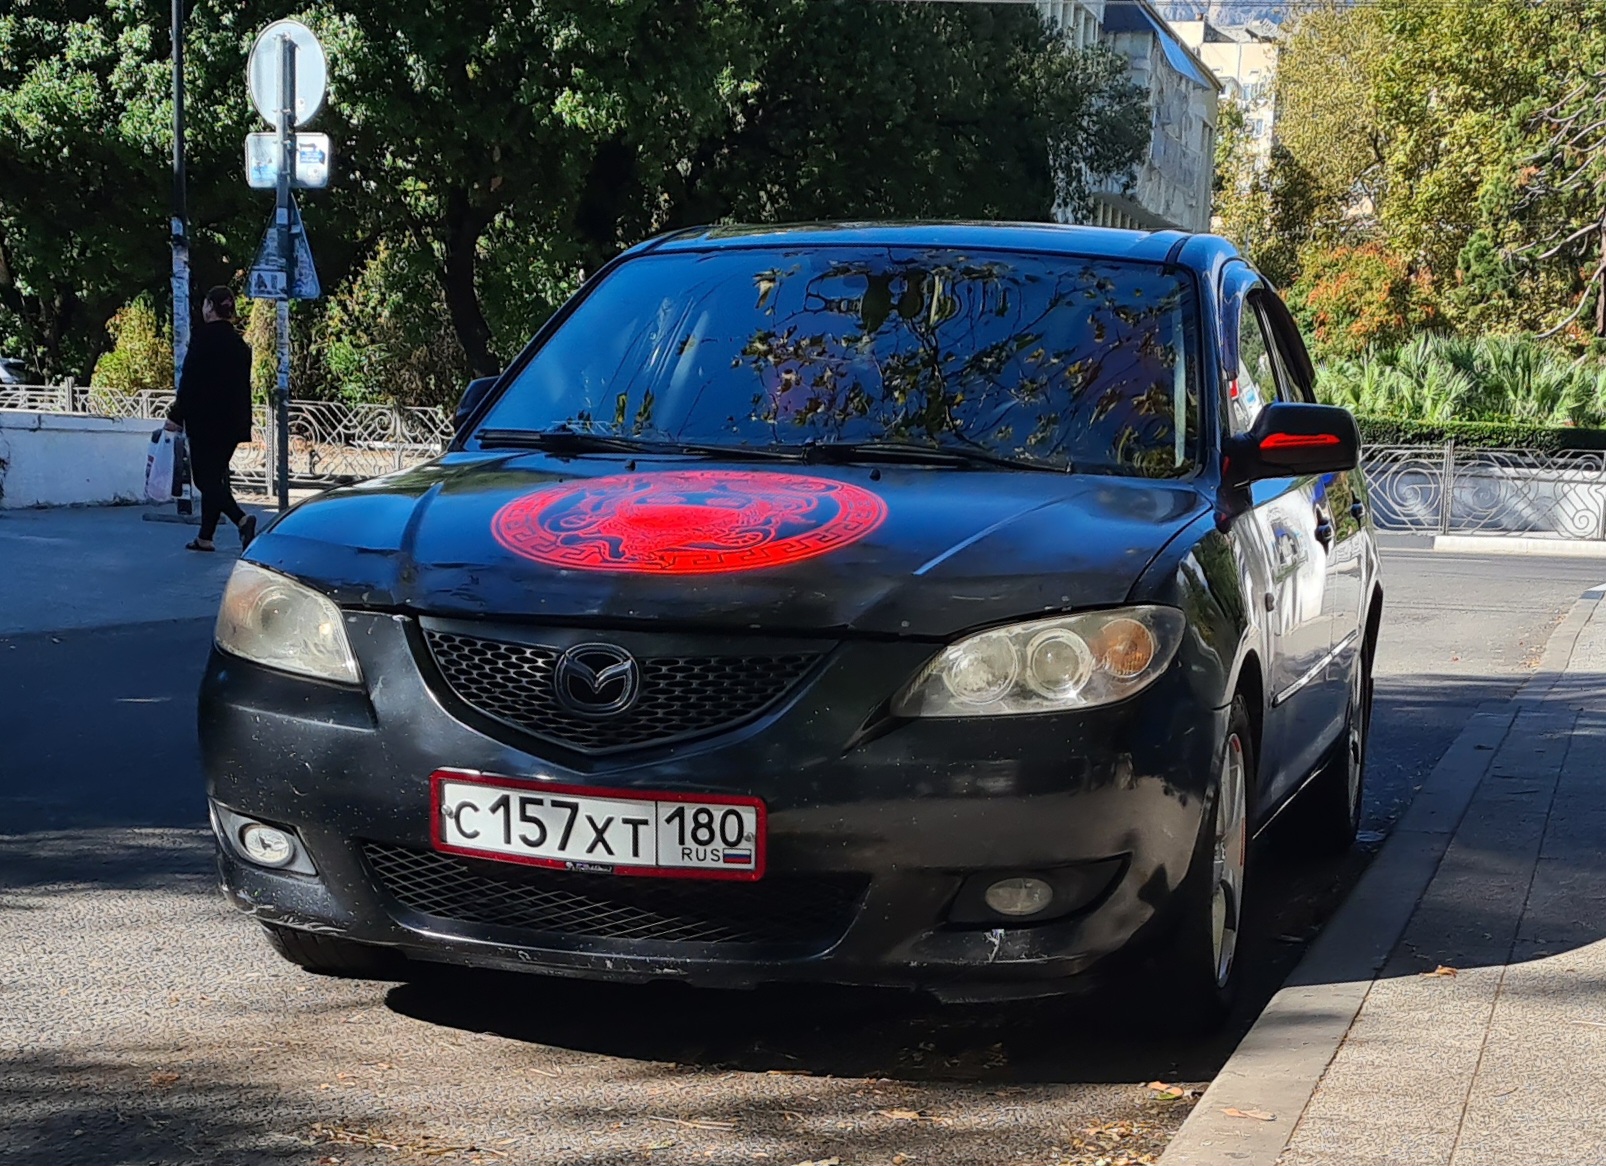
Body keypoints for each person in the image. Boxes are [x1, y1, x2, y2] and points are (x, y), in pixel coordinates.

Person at [165, 285, 257, 552]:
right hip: (232, 424)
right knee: (214, 478)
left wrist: (176, 415)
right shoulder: (240, 345)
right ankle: (205, 537)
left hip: (205, 422)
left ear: (209, 307)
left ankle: (242, 519)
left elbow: (191, 380)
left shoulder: (203, 338)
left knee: (204, 481)